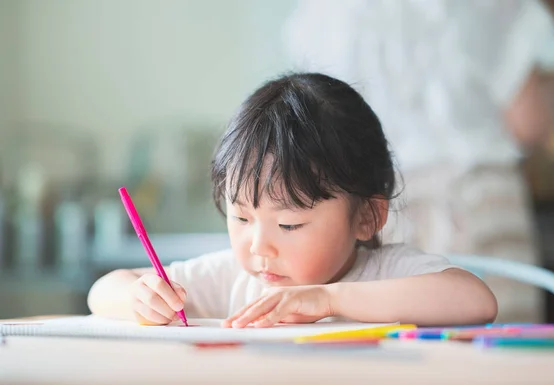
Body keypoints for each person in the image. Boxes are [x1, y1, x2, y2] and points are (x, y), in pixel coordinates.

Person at [87, 73, 497, 327]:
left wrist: (328, 299)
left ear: (367, 217)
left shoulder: (386, 273)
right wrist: (139, 297)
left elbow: (475, 301)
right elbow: (102, 291)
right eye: (241, 218)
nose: (258, 246)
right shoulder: (232, 278)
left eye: (289, 225)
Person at [283, 0, 554, 323]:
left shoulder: (322, 11)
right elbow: (528, 122)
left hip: (377, 210)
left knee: (400, 353)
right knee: (501, 349)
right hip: (477, 199)